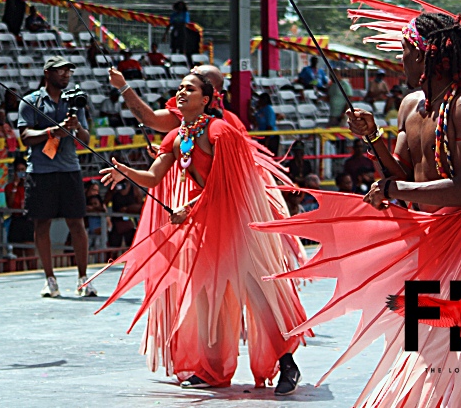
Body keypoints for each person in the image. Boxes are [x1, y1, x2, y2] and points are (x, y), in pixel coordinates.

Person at [254, 5, 461, 408]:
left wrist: (392, 185)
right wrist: (373, 138)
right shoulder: (410, 105)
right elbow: (403, 176)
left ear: (427, 54)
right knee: (422, 357)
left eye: (405, 50)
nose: (400, 58)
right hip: (429, 248)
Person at [95, 71, 305, 393]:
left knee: (258, 294)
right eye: (179, 88)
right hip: (205, 223)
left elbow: (227, 186)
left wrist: (188, 209)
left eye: (189, 88)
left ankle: (287, 364)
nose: (181, 92)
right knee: (207, 296)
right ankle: (212, 369)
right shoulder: (176, 137)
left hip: (236, 223)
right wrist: (125, 172)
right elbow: (153, 178)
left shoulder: (221, 131)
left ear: (206, 99)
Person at [17, 55, 95, 297]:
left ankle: (83, 278)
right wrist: (53, 131)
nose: (66, 75)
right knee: (42, 225)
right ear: (47, 73)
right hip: (41, 172)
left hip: (70, 169)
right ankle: (50, 279)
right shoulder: (31, 101)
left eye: (68, 72)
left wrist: (76, 127)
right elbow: (25, 137)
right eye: (60, 71)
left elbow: (85, 139)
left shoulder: (75, 101)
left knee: (77, 224)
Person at [4, 158, 34, 258]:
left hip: (28, 220)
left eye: (23, 170)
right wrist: (15, 186)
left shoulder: (31, 185)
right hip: (16, 220)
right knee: (17, 252)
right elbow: (10, 204)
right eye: (18, 170)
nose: (21, 173)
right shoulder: (9, 187)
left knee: (30, 250)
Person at [105, 178, 142, 249]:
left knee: (131, 246)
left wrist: (128, 209)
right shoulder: (114, 189)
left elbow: (140, 206)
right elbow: (105, 202)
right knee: (114, 246)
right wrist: (112, 191)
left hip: (131, 223)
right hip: (116, 222)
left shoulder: (135, 189)